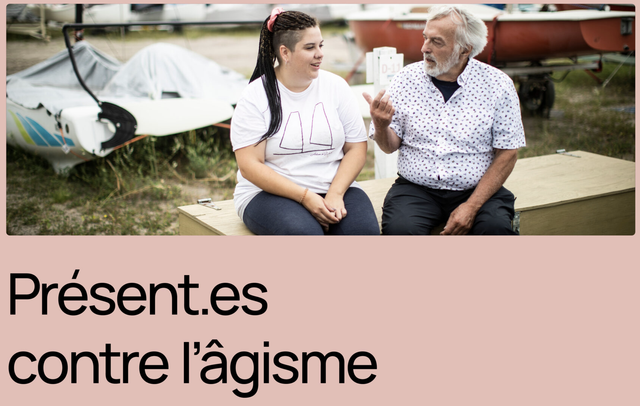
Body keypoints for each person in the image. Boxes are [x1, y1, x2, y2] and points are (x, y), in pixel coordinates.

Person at [364, 5, 526, 235]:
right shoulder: (406, 79)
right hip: (416, 189)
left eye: (436, 42)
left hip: (477, 189)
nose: (424, 48)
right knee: (400, 230)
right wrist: (381, 126)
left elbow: (508, 152)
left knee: (495, 229)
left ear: (464, 50)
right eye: (425, 38)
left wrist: (472, 206)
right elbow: (389, 147)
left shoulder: (497, 85)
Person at [231, 8, 380, 235]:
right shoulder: (255, 95)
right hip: (269, 193)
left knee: (364, 233)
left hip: (334, 186)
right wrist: (305, 197)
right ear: (285, 52)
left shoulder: (336, 86)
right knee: (305, 235)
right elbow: (250, 165)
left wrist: (336, 193)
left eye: (321, 45)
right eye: (310, 48)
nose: (319, 53)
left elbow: (356, 147)